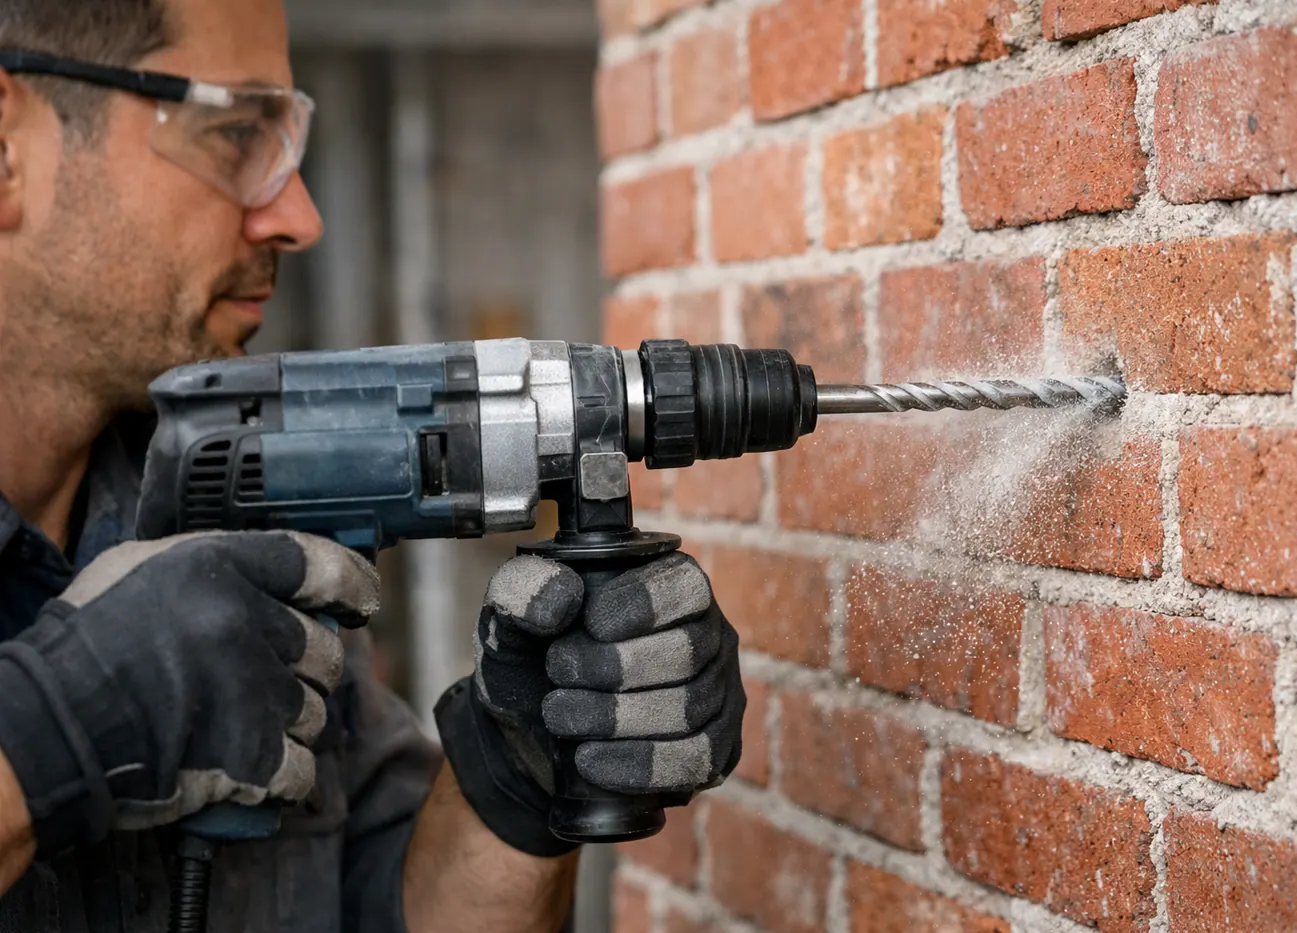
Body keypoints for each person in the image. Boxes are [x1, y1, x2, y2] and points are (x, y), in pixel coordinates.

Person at [0, 0, 746, 930]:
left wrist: (517, 768)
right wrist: (49, 732)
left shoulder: (232, 546)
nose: (298, 213)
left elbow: (411, 912)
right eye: (235, 132)